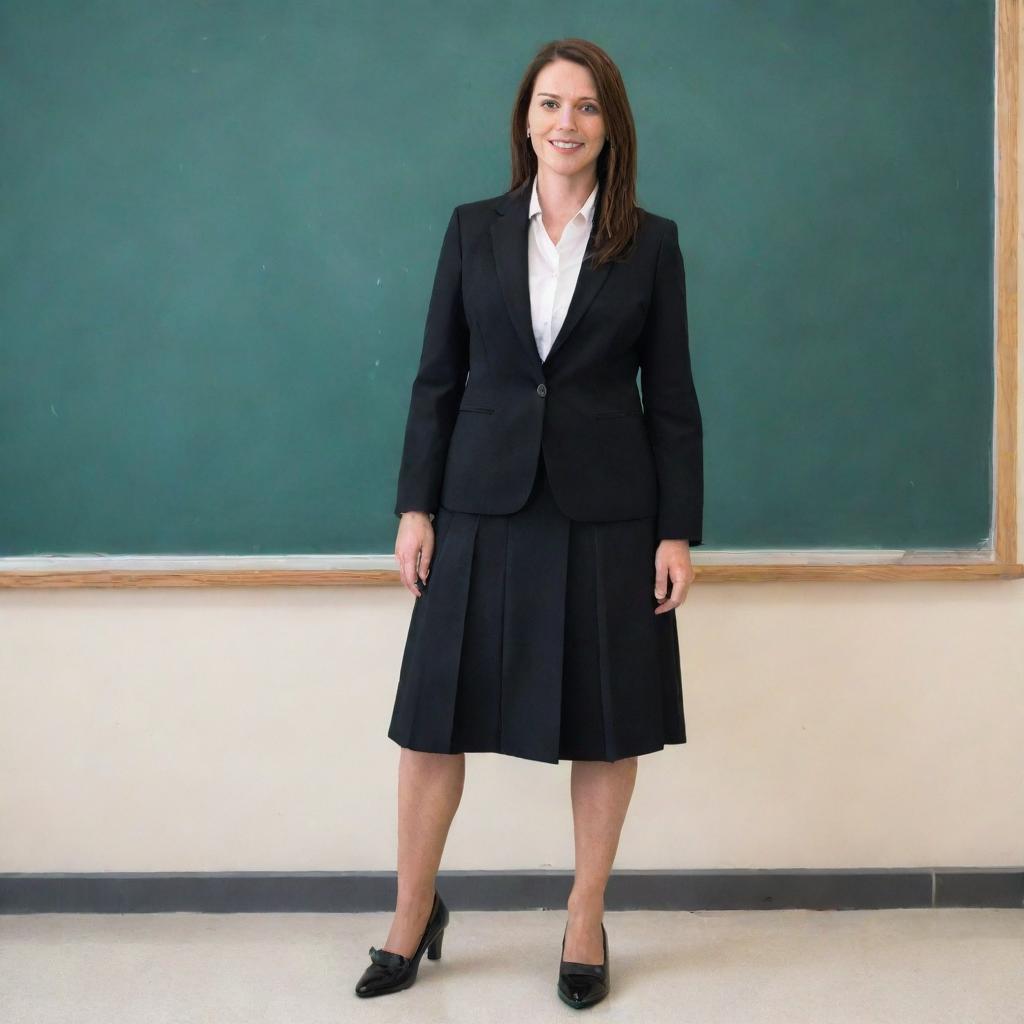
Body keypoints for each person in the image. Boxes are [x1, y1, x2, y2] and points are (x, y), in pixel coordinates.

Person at [355, 37, 703, 1009]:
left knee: (605, 726)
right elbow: (438, 377)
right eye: (549, 103)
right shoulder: (473, 229)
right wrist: (414, 505)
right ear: (525, 119)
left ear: (608, 126)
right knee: (431, 724)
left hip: (607, 508)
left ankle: (584, 916)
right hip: (479, 499)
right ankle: (411, 913)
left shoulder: (650, 240)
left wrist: (676, 529)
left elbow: (670, 395)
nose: (565, 122)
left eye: (585, 107)